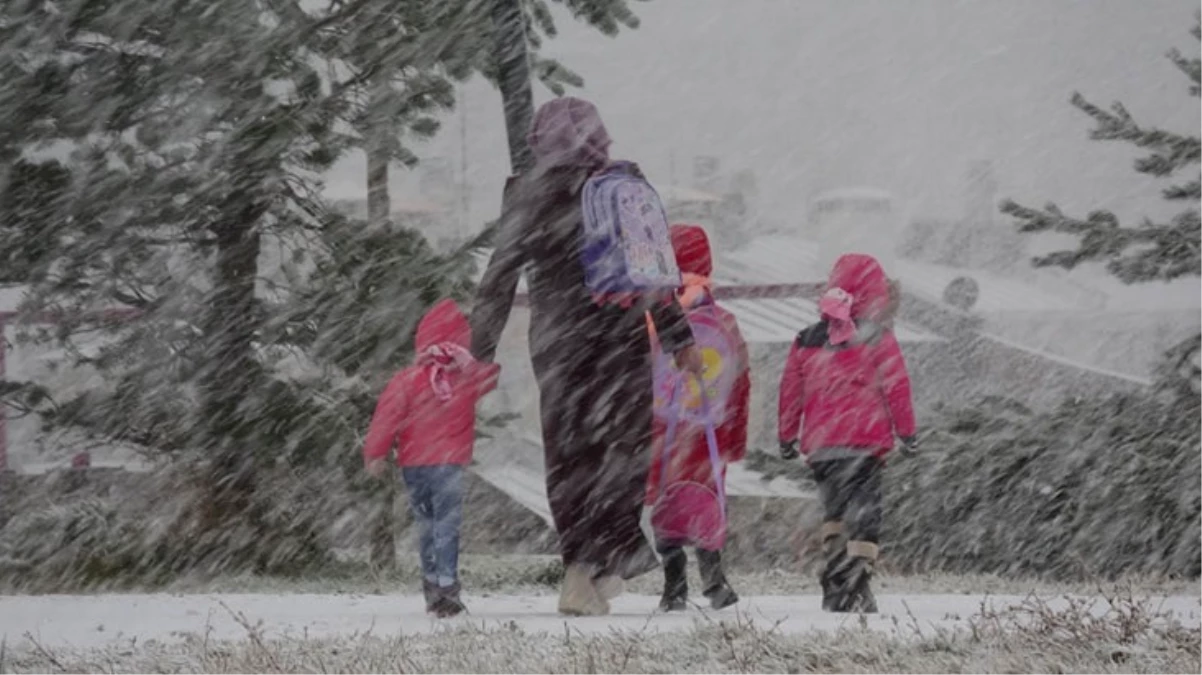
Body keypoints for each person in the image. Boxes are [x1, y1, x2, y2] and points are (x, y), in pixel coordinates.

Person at [470, 96, 702, 616]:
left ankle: (580, 567)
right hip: (618, 339)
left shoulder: (528, 194)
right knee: (621, 452)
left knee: (569, 453)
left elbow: (499, 277)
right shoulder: (623, 184)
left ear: (538, 140)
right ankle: (610, 559)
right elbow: (652, 272)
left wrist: (479, 351)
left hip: (557, 343)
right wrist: (678, 338)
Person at [777, 254, 917, 613]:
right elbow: (897, 389)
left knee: (834, 512)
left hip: (823, 448)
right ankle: (858, 579)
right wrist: (907, 432)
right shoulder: (878, 338)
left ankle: (836, 575)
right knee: (865, 512)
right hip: (866, 446)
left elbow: (791, 392)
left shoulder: (806, 339)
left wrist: (787, 435)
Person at [363, 299, 500, 618]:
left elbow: (386, 418)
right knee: (446, 526)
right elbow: (489, 380)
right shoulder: (463, 380)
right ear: (461, 342)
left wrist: (376, 454)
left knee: (427, 526)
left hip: (415, 464)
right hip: (448, 463)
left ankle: (432, 586)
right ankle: (447, 586)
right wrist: (467, 363)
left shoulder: (407, 380)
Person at [645, 224, 750, 612]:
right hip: (711, 435)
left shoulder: (654, 321)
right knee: (708, 503)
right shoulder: (724, 322)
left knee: (668, 504)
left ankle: (674, 586)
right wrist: (736, 438)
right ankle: (714, 580)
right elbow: (741, 383)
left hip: (664, 432)